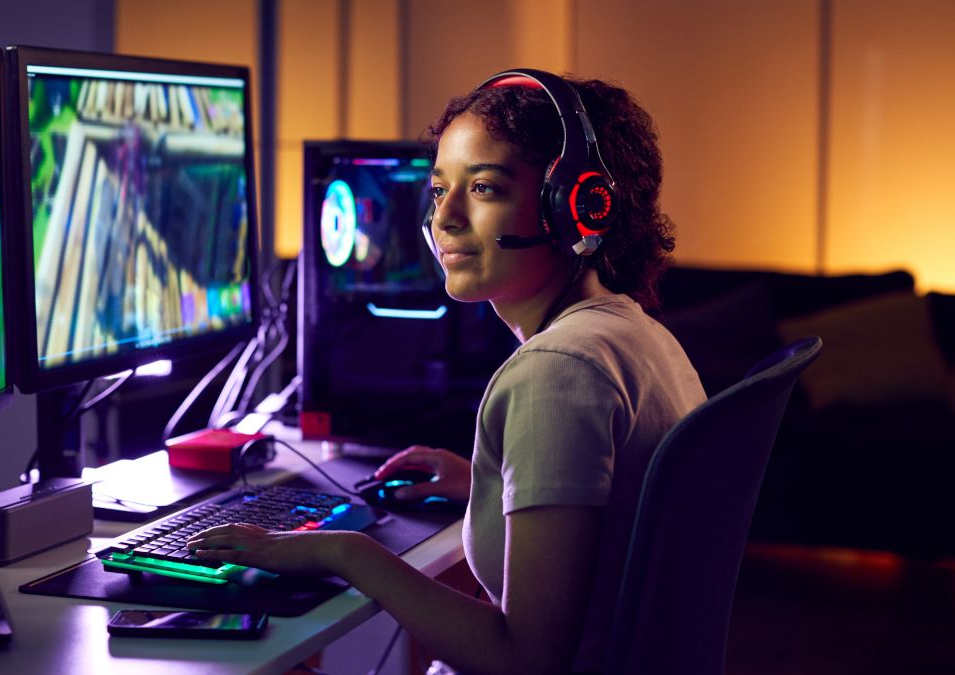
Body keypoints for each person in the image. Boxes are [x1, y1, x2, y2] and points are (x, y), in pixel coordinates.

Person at [188, 70, 706, 674]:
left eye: (484, 189)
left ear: (576, 208)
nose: (444, 219)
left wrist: (348, 553)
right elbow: (620, 513)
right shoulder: (640, 337)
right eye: (439, 191)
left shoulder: (555, 372)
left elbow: (526, 661)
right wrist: (493, 484)